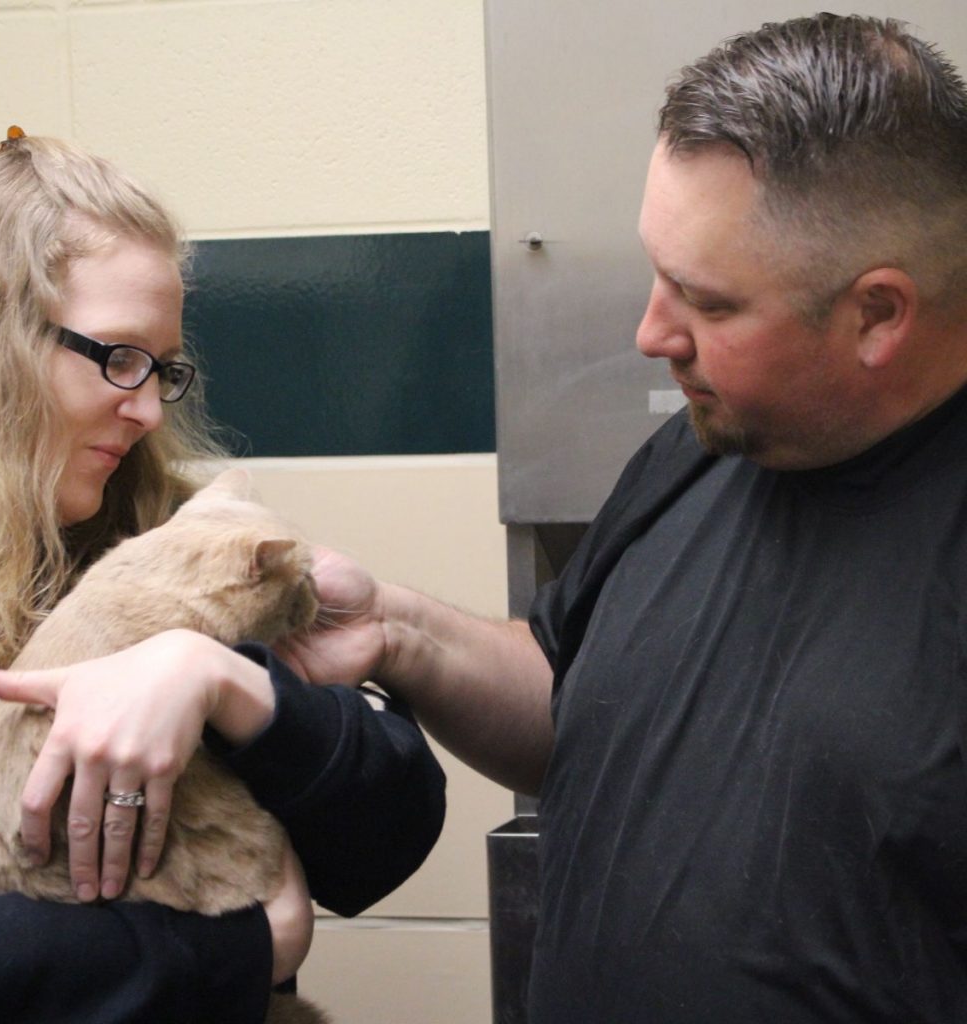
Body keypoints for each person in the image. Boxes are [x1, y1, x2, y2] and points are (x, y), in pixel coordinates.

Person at [274, 12, 967, 1023]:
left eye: (707, 303)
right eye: (656, 272)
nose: (650, 332)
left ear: (877, 314)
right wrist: (395, 628)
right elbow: (572, 699)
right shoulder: (706, 444)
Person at [0, 129, 445, 1022]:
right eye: (117, 357)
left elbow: (389, 829)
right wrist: (252, 946)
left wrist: (225, 682)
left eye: (162, 367)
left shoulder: (166, 532)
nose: (144, 407)